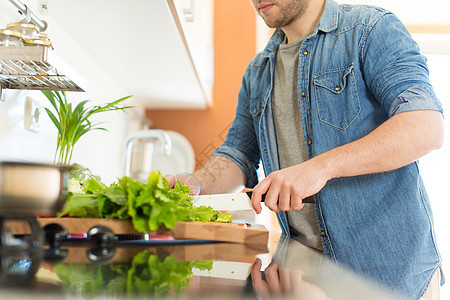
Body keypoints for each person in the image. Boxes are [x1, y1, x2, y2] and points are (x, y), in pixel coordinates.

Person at [166, 0, 444, 299]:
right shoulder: (257, 72)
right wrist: (196, 183)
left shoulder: (370, 29)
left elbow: (425, 125)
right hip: (302, 277)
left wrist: (319, 168)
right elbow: (237, 153)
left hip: (390, 277)